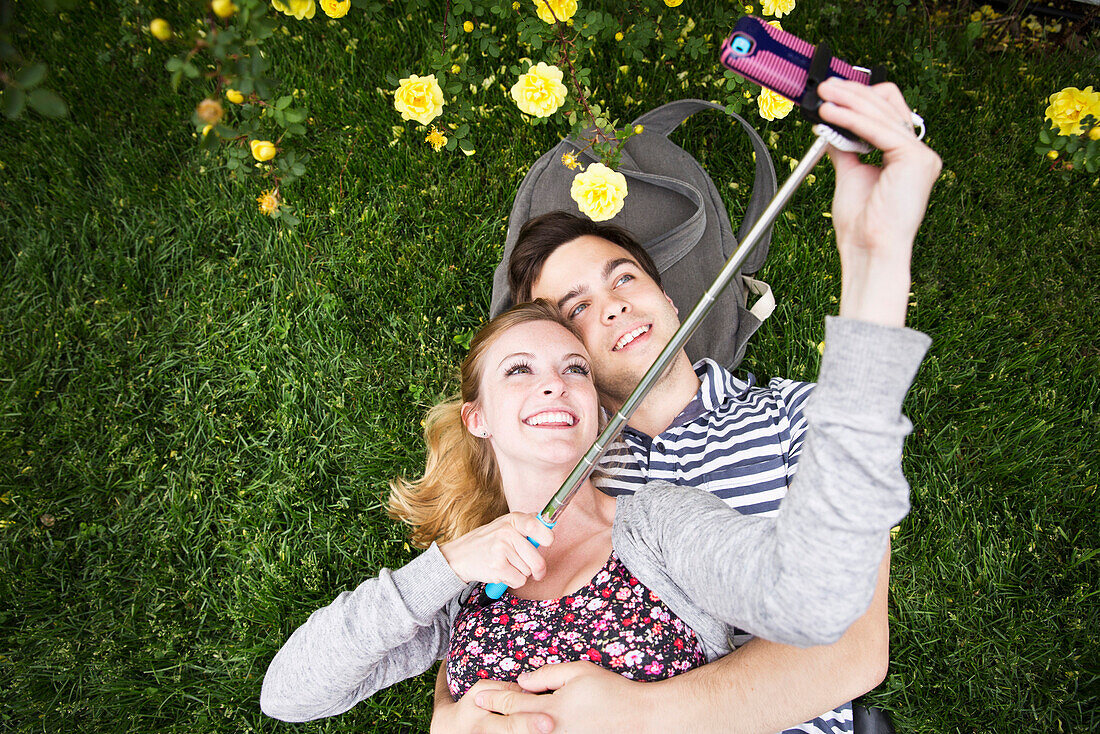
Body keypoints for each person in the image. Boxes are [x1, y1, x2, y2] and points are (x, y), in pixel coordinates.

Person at [431, 78, 942, 734]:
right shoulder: (555, 466)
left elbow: (851, 652)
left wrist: (644, 714)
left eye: (624, 278)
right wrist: (449, 714)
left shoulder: (795, 416)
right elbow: (481, 615)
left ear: (669, 300)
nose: (613, 303)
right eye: (578, 307)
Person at [260, 289, 929, 724]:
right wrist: (446, 563)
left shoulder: (654, 523)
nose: (554, 383)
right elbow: (288, 695)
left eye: (575, 370)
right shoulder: (463, 590)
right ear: (479, 418)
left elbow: (808, 601)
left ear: (596, 412)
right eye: (519, 370)